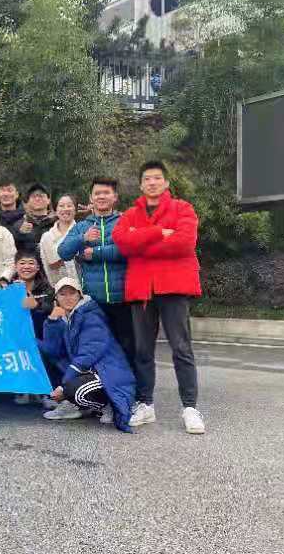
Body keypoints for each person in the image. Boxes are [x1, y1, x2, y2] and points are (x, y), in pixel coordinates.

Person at [112, 160, 205, 435]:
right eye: (147, 179)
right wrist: (157, 233)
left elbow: (185, 242)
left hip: (173, 286)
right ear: (141, 185)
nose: (152, 182)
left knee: (181, 348)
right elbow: (122, 242)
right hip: (142, 288)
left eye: (157, 178)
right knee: (142, 350)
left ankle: (190, 407)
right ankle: (145, 404)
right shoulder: (131, 213)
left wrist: (141, 243)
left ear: (166, 182)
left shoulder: (183, 208)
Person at [38, 277, 135, 432]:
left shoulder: (90, 315)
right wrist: (52, 321)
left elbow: (87, 355)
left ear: (80, 295)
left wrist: (63, 387)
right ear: (56, 298)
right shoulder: (65, 317)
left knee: (73, 390)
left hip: (106, 372)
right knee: (50, 359)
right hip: (88, 371)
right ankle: (77, 405)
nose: (68, 298)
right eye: (63, 294)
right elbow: (53, 351)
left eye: (72, 293)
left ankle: (108, 405)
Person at [58, 178, 135, 368]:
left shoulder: (125, 222)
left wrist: (95, 253)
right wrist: (82, 238)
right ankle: (101, 385)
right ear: (91, 198)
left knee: (127, 347)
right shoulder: (82, 226)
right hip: (94, 301)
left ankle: (130, 385)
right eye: (97, 193)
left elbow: (130, 249)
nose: (101, 196)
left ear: (115, 197)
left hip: (123, 298)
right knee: (97, 348)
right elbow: (63, 251)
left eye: (106, 193)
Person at [2, 250, 55, 407]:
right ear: (15, 267)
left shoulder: (46, 287)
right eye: (22, 263)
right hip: (17, 335)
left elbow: (51, 308)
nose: (27, 267)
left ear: (38, 267)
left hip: (41, 333)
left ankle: (45, 393)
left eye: (31, 263)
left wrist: (36, 305)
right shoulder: (8, 288)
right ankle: (23, 389)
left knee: (42, 351)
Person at [39, 194, 80, 287]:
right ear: (55, 210)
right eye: (61, 206)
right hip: (58, 288)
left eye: (69, 205)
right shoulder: (47, 237)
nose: (65, 209)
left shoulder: (83, 231)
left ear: (75, 209)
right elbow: (51, 265)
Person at [12, 183, 56, 251]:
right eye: (33, 196)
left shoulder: (57, 222)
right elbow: (12, 248)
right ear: (28, 201)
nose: (37, 199)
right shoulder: (19, 225)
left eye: (41, 196)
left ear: (48, 200)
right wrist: (20, 234)